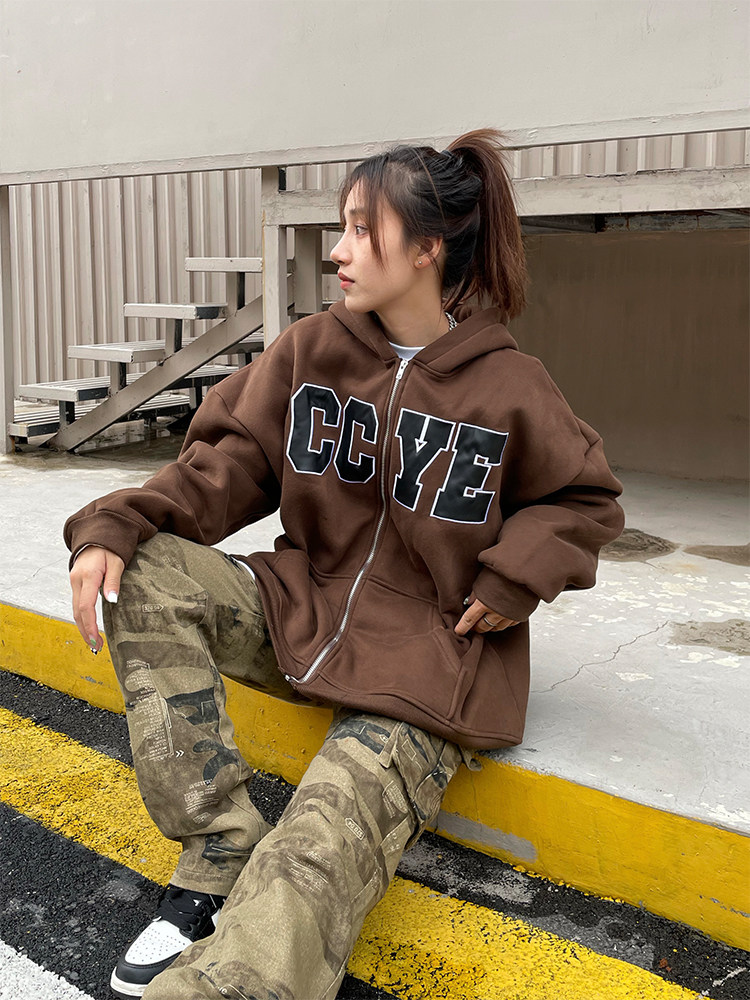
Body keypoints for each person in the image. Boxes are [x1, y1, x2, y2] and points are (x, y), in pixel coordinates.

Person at [65, 128, 625, 1000]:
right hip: (306, 612)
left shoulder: (511, 387)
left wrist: (514, 577)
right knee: (142, 568)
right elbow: (223, 466)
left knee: (307, 860)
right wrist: (113, 524)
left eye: (363, 229)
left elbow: (584, 500)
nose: (338, 250)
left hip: (427, 666)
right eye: (342, 227)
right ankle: (218, 849)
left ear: (428, 248)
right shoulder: (311, 351)